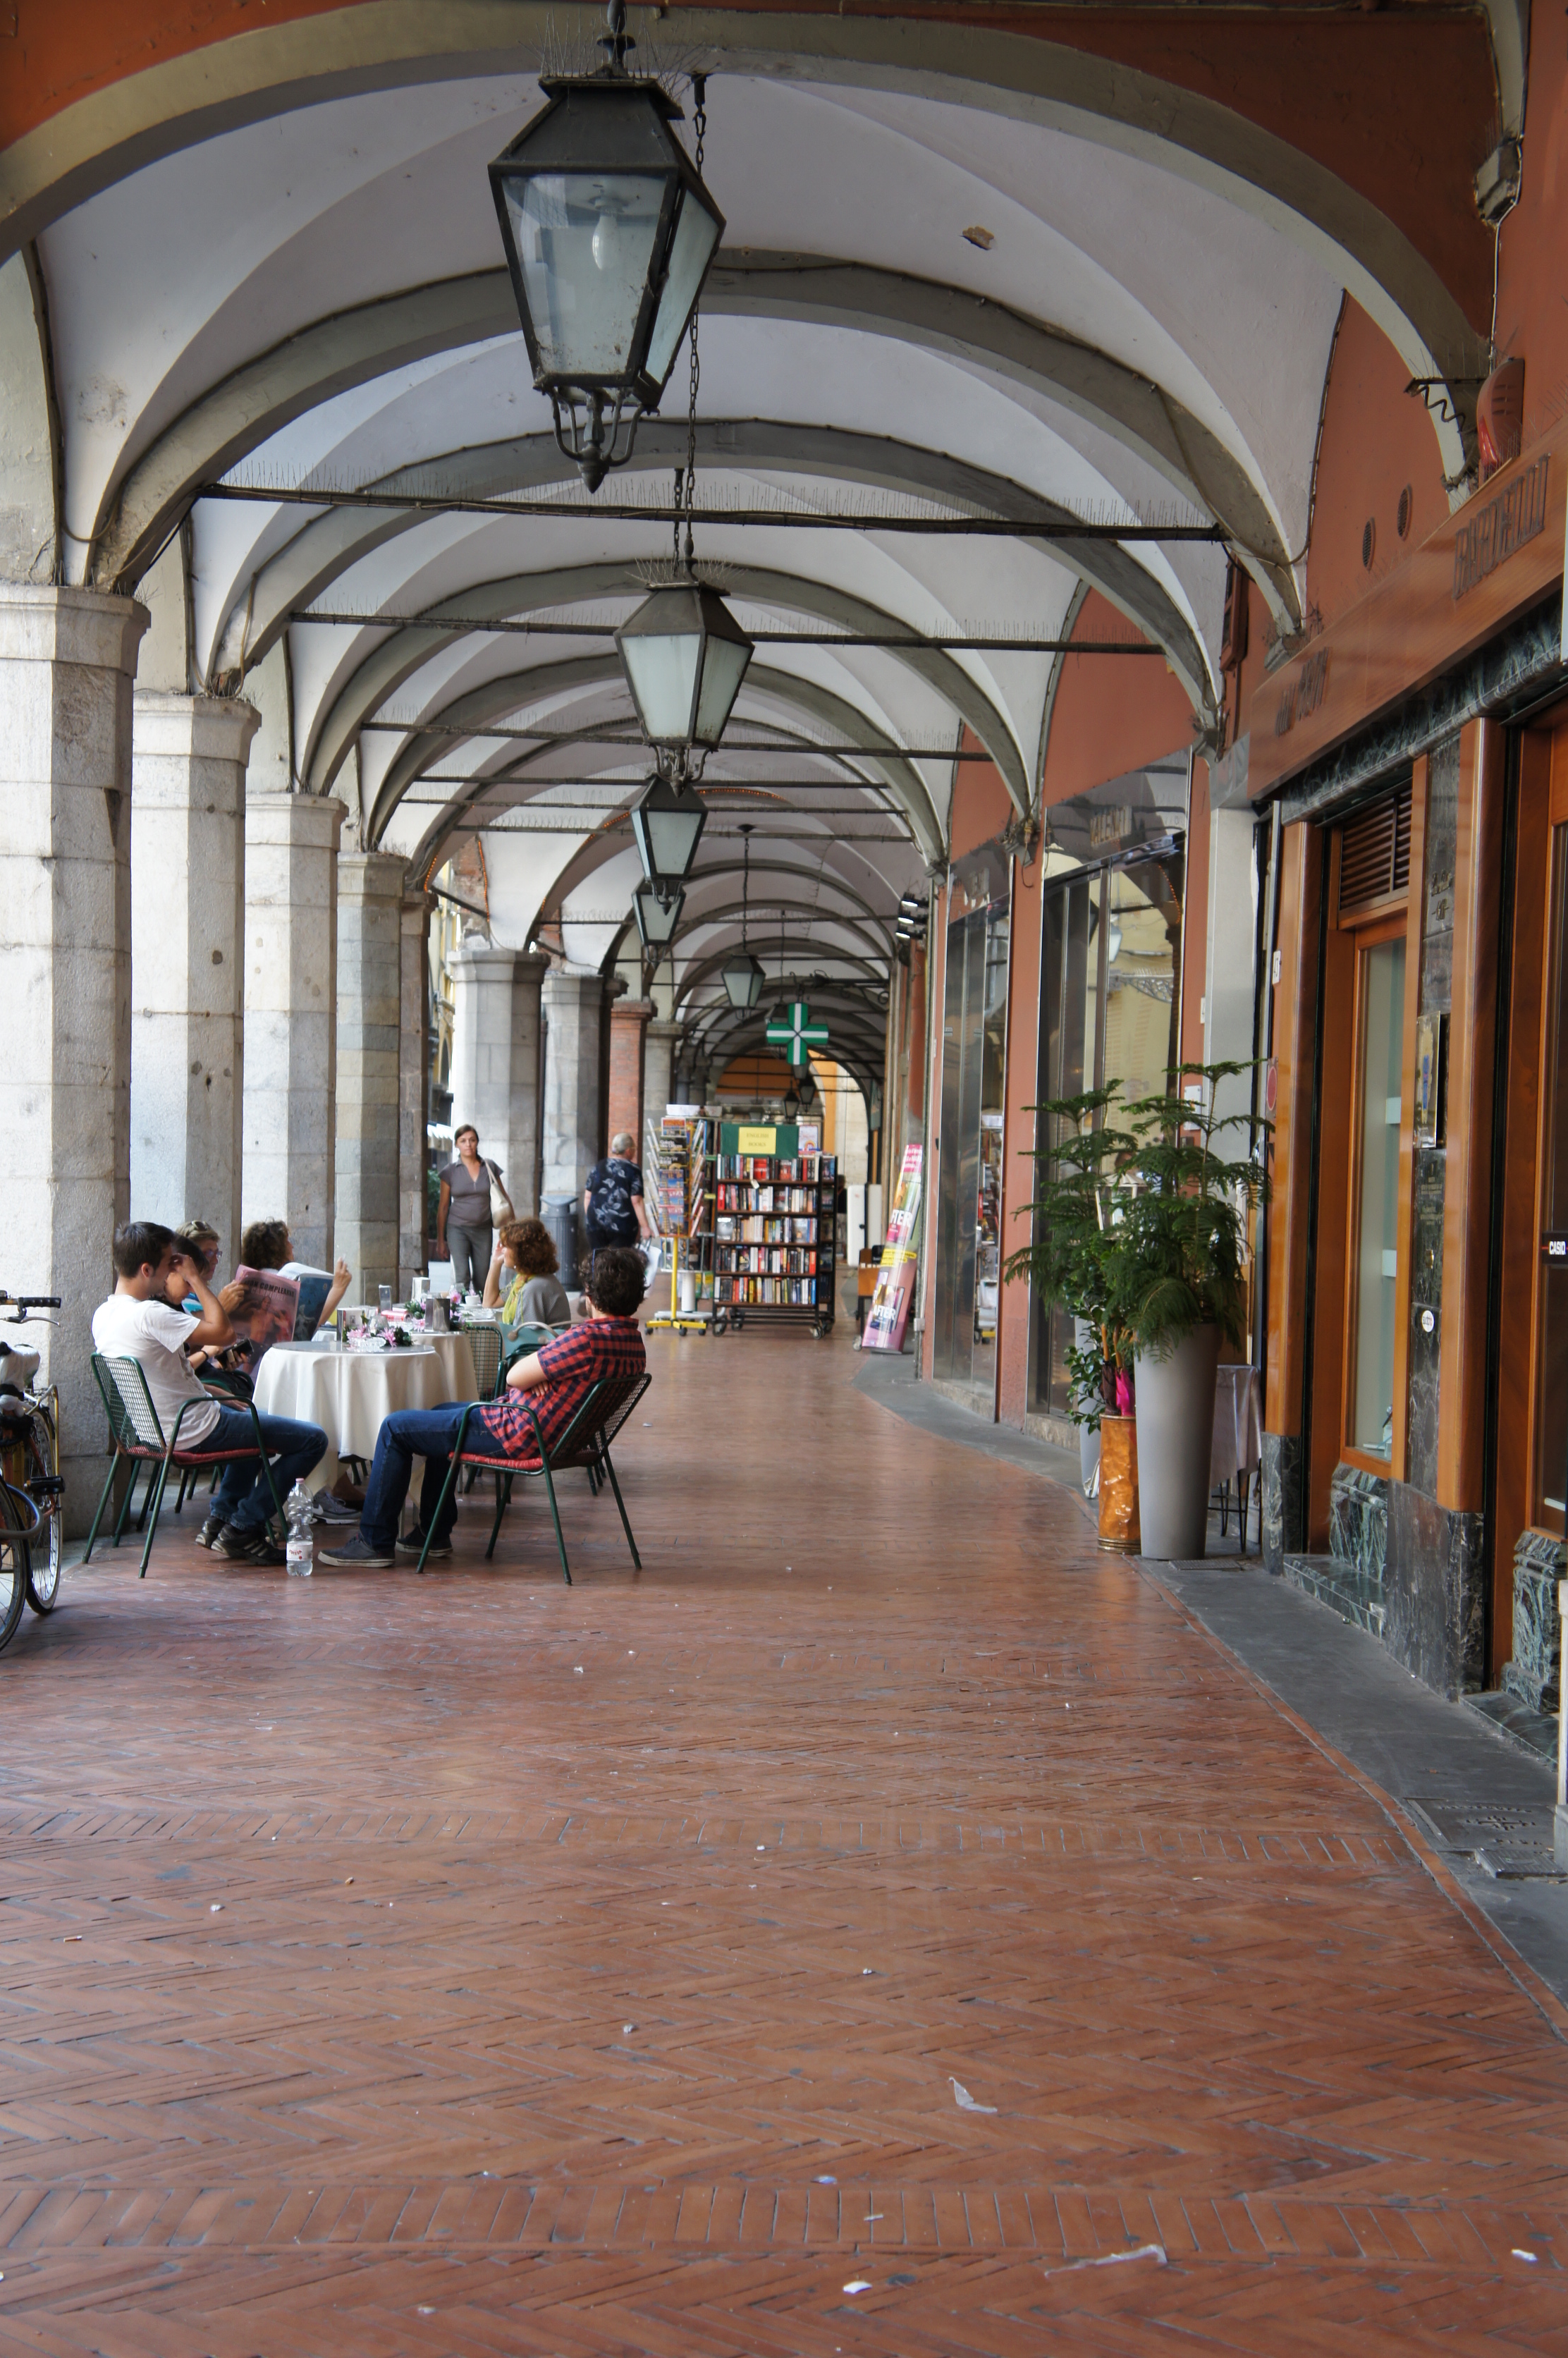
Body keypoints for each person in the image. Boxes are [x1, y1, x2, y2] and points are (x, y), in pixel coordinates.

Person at [319, 1245, 647, 1569]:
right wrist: (540, 1373)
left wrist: (533, 1373)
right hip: (557, 1435)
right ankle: (434, 1533)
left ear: (591, 1294)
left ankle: (374, 1542)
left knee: (396, 1427)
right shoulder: (633, 1343)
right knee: (438, 1411)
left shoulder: (585, 1340)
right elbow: (536, 1375)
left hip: (517, 1431)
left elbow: (515, 1376)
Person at [92, 1221, 328, 1564]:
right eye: (168, 1266)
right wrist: (196, 1278)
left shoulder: (105, 1314)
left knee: (247, 1418)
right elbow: (224, 1333)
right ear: (146, 1270)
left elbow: (161, 1379)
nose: (172, 1273)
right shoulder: (151, 1314)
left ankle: (220, 1519)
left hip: (159, 1428)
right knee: (313, 1440)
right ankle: (245, 1525)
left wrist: (216, 1395)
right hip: (194, 1430)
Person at [240, 1219, 352, 1336]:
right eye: (287, 1241)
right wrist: (338, 1288)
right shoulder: (279, 1279)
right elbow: (309, 1326)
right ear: (276, 1250)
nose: (292, 1246)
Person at [438, 1125, 508, 1294]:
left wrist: (509, 1229)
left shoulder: (489, 1167)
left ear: (477, 1142)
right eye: (463, 1141)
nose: (468, 1144)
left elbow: (504, 1199)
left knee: (483, 1279)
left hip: (483, 1229)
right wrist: (440, 1240)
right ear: (456, 1144)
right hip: (457, 1229)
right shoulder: (450, 1171)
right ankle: (460, 1318)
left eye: (472, 1140)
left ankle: (482, 1318)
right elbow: (443, 1207)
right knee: (462, 1278)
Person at [483, 1216, 572, 1328]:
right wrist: (496, 1263)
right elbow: (489, 1303)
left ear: (521, 1252)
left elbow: (526, 1337)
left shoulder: (532, 1288)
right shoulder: (524, 1280)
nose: (503, 1250)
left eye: (507, 1246)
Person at [583, 1131, 652, 1268]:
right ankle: (615, 1289)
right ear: (628, 1151)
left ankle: (596, 1288)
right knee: (619, 1265)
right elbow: (636, 1201)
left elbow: (587, 1196)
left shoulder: (600, 1166)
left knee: (597, 1263)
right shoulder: (633, 1170)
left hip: (595, 1224)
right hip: (622, 1226)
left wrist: (592, 1218)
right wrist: (645, 1227)